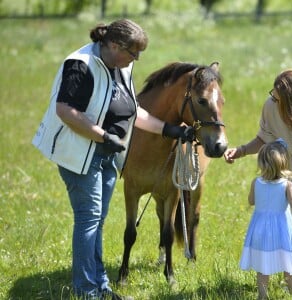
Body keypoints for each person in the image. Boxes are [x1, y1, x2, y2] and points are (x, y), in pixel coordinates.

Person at [32, 19, 194, 300]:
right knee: (88, 219)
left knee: (97, 219)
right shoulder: (81, 64)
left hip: (107, 156)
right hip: (79, 154)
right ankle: (86, 291)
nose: (137, 58)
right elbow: (65, 110)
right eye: (134, 52)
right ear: (114, 46)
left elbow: (132, 111)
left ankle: (101, 286)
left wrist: (168, 129)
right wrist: (102, 136)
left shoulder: (122, 65)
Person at [224, 68, 292, 235]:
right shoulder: (271, 106)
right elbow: (264, 138)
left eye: (279, 99)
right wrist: (240, 151)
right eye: (273, 95)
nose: (273, 99)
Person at [239, 140, 292, 299]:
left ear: (261, 163)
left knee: (262, 265)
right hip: (283, 229)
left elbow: (251, 201)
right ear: (284, 163)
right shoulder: (287, 185)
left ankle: (263, 295)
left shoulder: (256, 182)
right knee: (289, 265)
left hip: (260, 229)